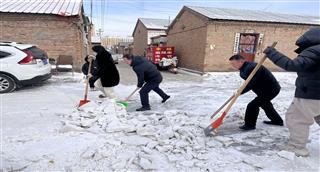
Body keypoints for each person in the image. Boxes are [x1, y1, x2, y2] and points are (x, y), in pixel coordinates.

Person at [263, 27, 320, 157]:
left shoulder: (314, 50)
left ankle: (297, 146)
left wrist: (272, 53)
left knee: (296, 118)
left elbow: (293, 65)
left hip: (311, 93)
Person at [229, 54, 284, 130]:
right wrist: (240, 90)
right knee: (265, 104)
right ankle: (277, 121)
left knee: (252, 106)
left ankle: (250, 125)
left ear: (241, 61)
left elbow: (251, 83)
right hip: (263, 90)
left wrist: (240, 92)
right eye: (231, 64)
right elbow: (248, 82)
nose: (232, 65)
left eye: (233, 63)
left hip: (270, 90)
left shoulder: (251, 67)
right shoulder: (244, 68)